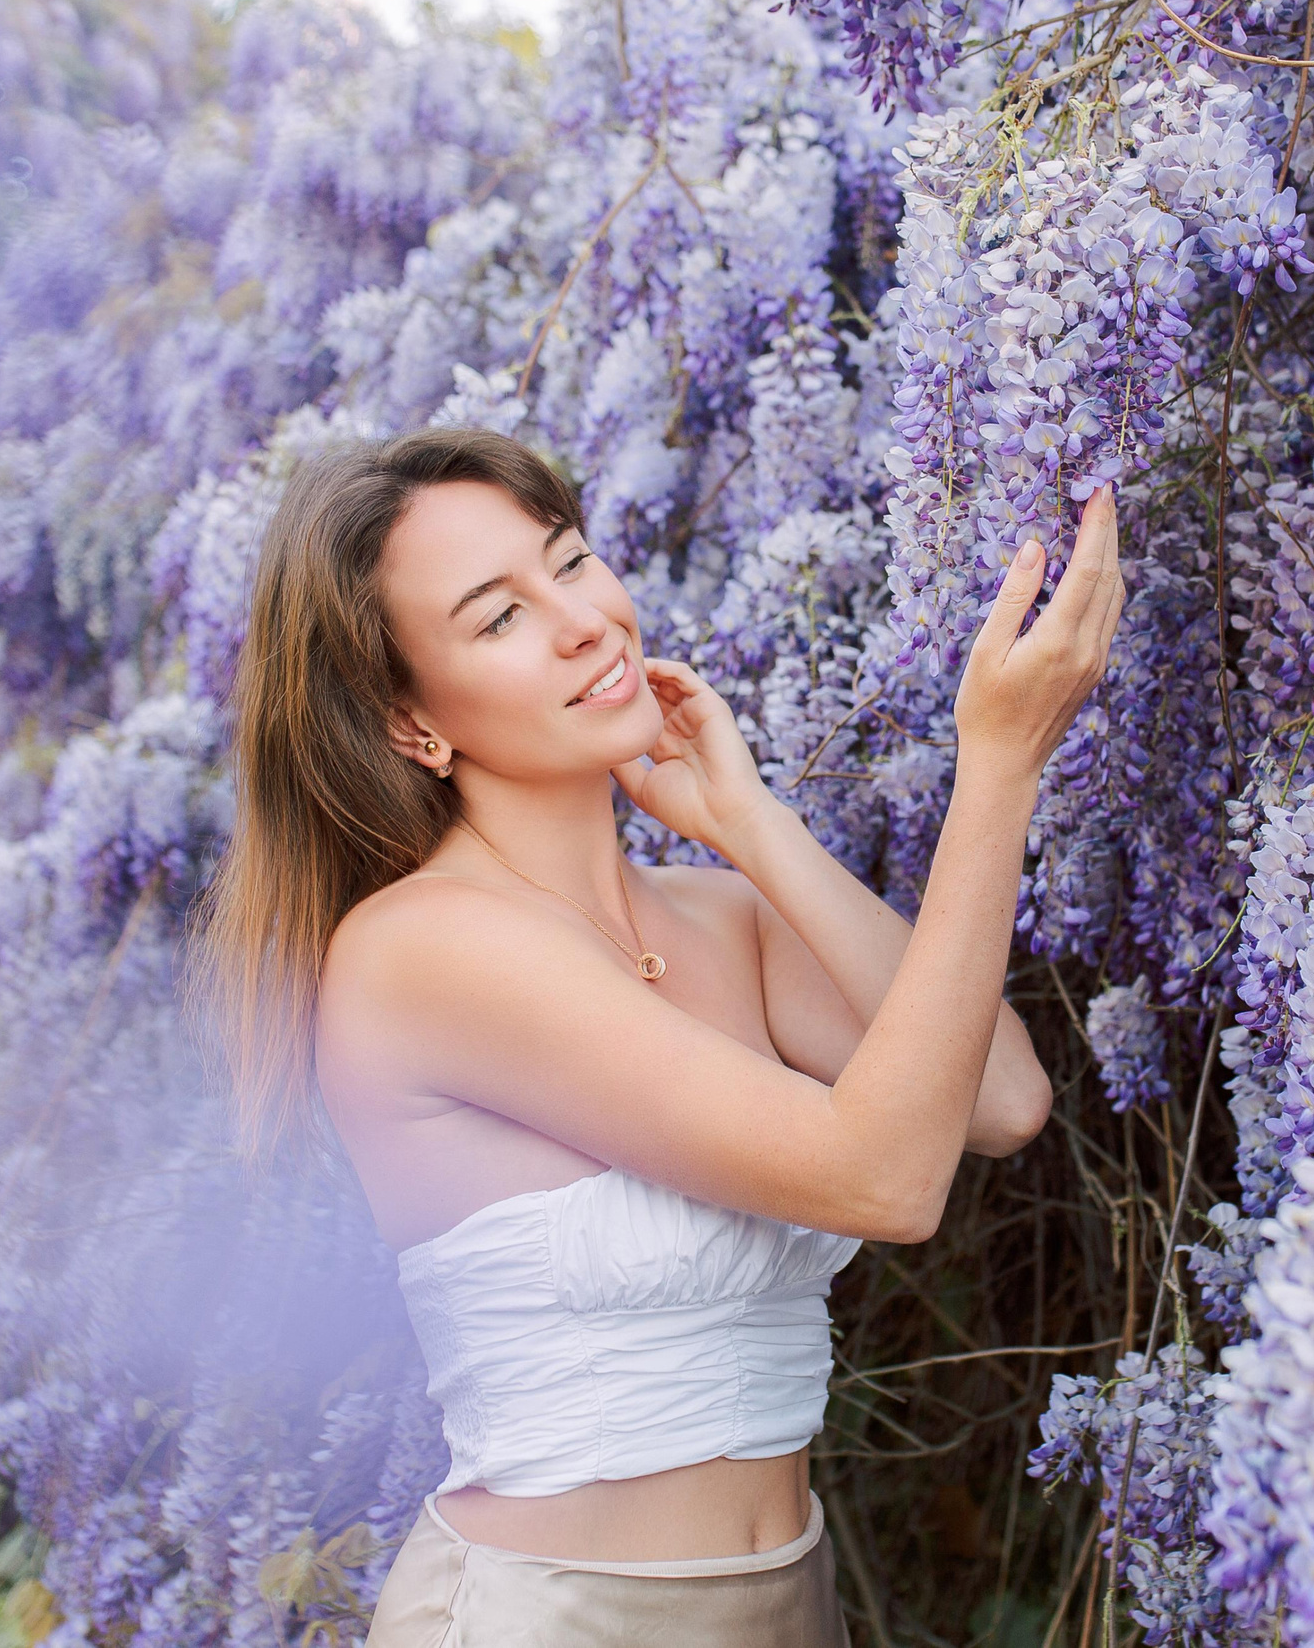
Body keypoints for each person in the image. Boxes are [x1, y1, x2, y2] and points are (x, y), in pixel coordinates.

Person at [182, 427, 1123, 1645]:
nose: (580, 619)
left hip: (789, 1600)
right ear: (412, 725)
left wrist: (749, 823)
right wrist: (997, 767)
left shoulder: (717, 915)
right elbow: (884, 1177)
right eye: (497, 618)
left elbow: (998, 1101)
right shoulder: (420, 952)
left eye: (568, 561)